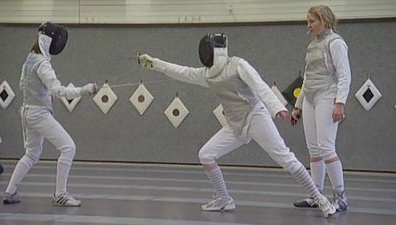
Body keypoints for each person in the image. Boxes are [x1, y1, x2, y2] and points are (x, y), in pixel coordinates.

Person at [138, 33, 336, 217]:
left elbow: (258, 84)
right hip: (235, 124)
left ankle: (320, 198)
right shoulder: (207, 74)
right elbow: (181, 71)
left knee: (286, 158)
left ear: (216, 50)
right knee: (206, 154)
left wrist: (275, 106)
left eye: (208, 51)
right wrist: (153, 63)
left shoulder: (237, 65)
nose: (206, 55)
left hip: (255, 117)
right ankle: (224, 199)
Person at [3, 22, 97, 207]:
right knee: (68, 147)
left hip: (27, 112)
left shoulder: (30, 58)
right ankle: (60, 194)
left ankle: (10, 190)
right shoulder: (43, 64)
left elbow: (23, 85)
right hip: (38, 114)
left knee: (31, 154)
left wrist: (42, 95)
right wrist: (84, 90)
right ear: (48, 41)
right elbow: (58, 90)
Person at [291, 5, 351, 212]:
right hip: (309, 98)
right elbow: (307, 77)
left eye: (312, 21)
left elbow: (344, 75)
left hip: (327, 96)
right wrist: (297, 107)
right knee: (314, 150)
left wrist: (339, 102)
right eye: (307, 22)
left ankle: (340, 197)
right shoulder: (311, 46)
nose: (308, 26)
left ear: (324, 20)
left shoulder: (336, 43)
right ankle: (316, 195)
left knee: (326, 148)